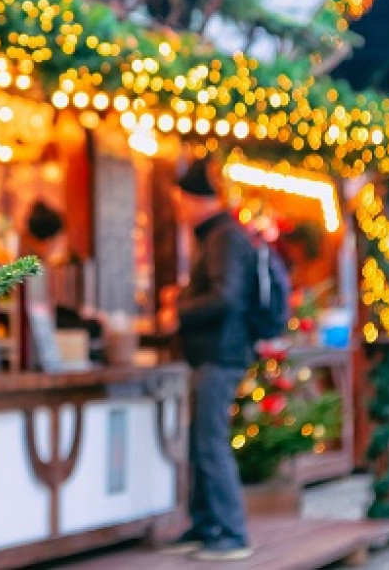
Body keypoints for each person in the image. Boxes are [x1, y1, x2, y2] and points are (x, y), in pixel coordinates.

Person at [162, 155, 255, 562]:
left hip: (221, 354)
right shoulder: (217, 238)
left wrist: (178, 309)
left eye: (182, 200)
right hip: (212, 354)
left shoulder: (225, 239)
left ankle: (232, 532)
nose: (179, 209)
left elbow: (226, 298)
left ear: (199, 200)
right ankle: (206, 524)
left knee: (211, 441)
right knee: (203, 441)